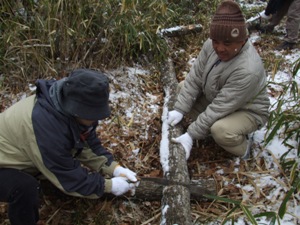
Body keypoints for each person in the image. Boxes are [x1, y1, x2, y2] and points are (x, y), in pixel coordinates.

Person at [0, 69, 138, 225]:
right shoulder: (46, 126)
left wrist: (114, 168)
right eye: (91, 114)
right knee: (24, 188)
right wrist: (108, 186)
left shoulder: (67, 107)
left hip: (19, 158)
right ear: (76, 109)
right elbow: (66, 176)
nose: (95, 119)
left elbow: (87, 144)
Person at [167, 0, 270, 161]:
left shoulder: (248, 70)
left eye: (228, 43)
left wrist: (191, 135)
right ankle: (209, 131)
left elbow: (219, 107)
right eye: (216, 41)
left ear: (243, 40)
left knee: (221, 130)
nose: (220, 48)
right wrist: (180, 109)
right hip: (219, 98)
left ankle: (244, 149)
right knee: (182, 87)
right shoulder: (210, 45)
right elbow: (195, 78)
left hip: (248, 111)